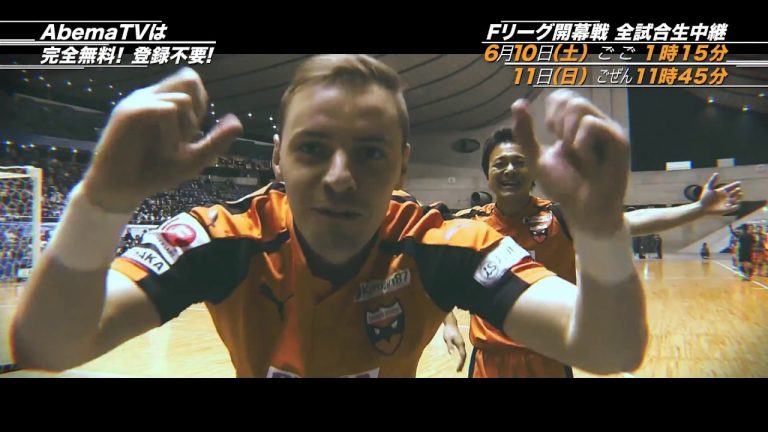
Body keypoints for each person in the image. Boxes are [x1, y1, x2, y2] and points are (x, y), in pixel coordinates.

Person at [10, 55, 647, 378]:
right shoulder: (221, 237)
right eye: (314, 148)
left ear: (400, 166)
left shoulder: (447, 243)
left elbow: (608, 348)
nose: (341, 176)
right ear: (278, 159)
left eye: (369, 152)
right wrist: (99, 201)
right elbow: (47, 344)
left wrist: (600, 229)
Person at [443, 127, 741, 377]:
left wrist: (698, 209)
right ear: (487, 174)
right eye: (500, 163)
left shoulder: (560, 217)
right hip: (489, 364)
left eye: (519, 162)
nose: (510, 169)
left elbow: (631, 221)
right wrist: (450, 323)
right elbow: (438, 274)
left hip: (548, 360)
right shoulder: (471, 224)